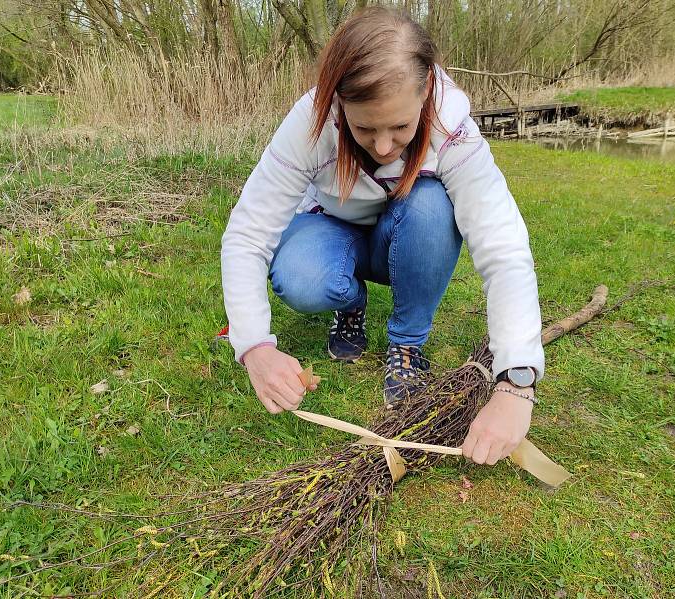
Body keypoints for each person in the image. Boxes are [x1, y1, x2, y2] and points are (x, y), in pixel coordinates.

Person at [221, 7, 544, 466]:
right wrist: (254, 346)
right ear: (338, 105)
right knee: (301, 277)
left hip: (408, 231)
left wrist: (516, 383)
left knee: (433, 205)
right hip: (331, 227)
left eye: (401, 128)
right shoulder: (309, 125)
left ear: (427, 92)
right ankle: (347, 301)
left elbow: (504, 249)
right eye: (365, 128)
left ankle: (407, 344)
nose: (385, 146)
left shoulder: (454, 129)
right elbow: (248, 236)